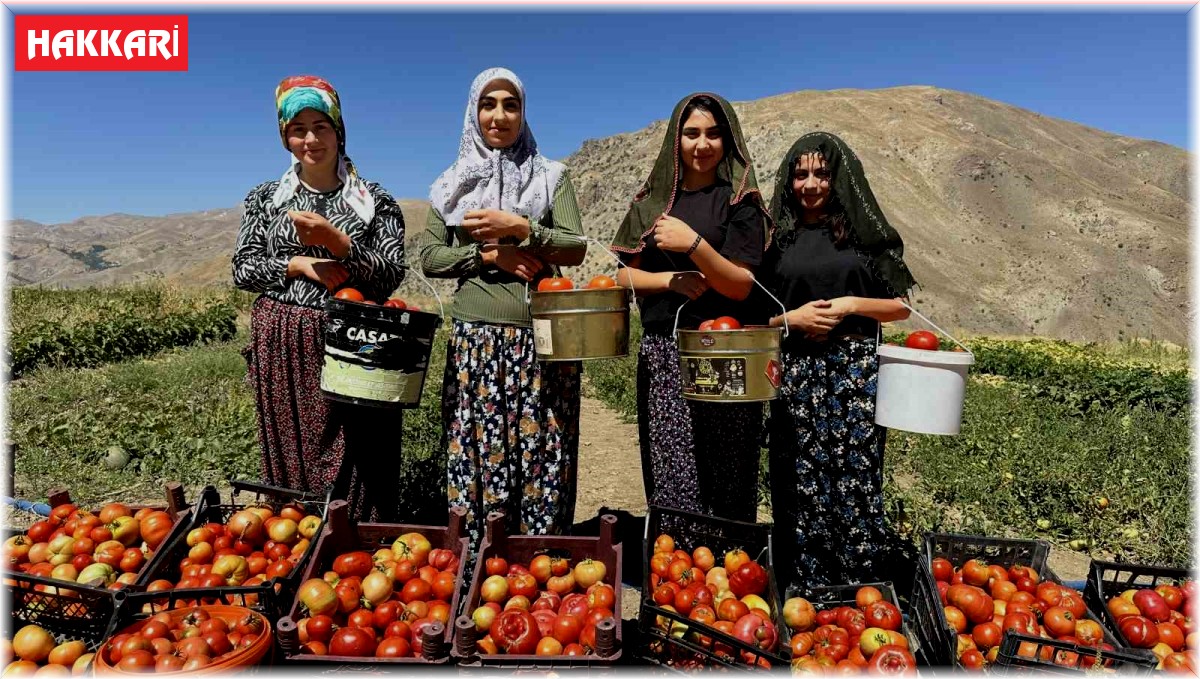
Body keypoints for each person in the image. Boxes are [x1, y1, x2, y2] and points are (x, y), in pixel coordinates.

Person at [420, 67, 587, 547]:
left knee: (544, 454)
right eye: (488, 104)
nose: (499, 115)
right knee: (479, 454)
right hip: (475, 343)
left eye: (510, 105)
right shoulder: (450, 184)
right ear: (473, 113)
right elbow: (430, 257)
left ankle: (541, 560)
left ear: (523, 113)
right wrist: (488, 255)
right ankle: (480, 563)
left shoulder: (551, 177)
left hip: (543, 343)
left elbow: (575, 246)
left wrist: (521, 228)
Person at [232, 75, 407, 521]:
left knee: (362, 445)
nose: (311, 140)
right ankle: (295, 532)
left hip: (357, 343)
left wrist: (339, 243)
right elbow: (243, 269)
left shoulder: (375, 201)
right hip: (284, 343)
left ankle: (362, 534)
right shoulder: (265, 199)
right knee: (293, 440)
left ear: (339, 130)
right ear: (285, 138)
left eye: (321, 127)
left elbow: (391, 274)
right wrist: (296, 264)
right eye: (298, 129)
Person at [763, 131, 918, 589]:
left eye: (822, 174)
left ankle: (858, 584)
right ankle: (804, 585)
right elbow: (758, 316)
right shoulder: (777, 241)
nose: (810, 184)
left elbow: (900, 308)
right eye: (801, 174)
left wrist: (851, 304)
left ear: (841, 178)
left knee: (856, 475)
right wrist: (792, 319)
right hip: (796, 371)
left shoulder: (864, 236)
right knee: (798, 478)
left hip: (855, 372)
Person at [610, 93, 771, 523]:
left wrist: (694, 245)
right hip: (665, 351)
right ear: (675, 141)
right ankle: (675, 555)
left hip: (726, 350)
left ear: (728, 141)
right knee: (671, 465)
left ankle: (730, 554)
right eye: (692, 133)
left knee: (728, 466)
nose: (702, 144)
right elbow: (623, 277)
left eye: (713, 134)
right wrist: (670, 280)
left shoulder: (740, 203)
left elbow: (741, 285)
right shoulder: (651, 204)